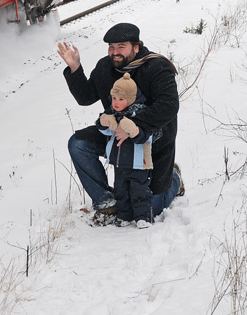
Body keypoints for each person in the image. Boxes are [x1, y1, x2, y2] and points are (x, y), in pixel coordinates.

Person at [57, 22, 182, 223]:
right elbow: (86, 97)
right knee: (78, 144)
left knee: (152, 209)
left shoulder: (157, 67)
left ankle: (174, 178)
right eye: (111, 47)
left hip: (151, 143)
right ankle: (106, 202)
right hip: (117, 140)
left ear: (136, 47)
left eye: (121, 47)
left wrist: (132, 127)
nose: (115, 52)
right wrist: (75, 68)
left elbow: (169, 106)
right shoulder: (105, 67)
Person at [96, 72, 155, 226]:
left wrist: (134, 130)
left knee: (139, 191)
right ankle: (124, 216)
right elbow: (106, 131)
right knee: (121, 191)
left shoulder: (141, 114)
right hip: (120, 162)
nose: (116, 102)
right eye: (114, 98)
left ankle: (143, 218)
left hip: (139, 163)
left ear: (130, 99)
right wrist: (104, 122)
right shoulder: (114, 114)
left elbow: (148, 136)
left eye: (121, 99)